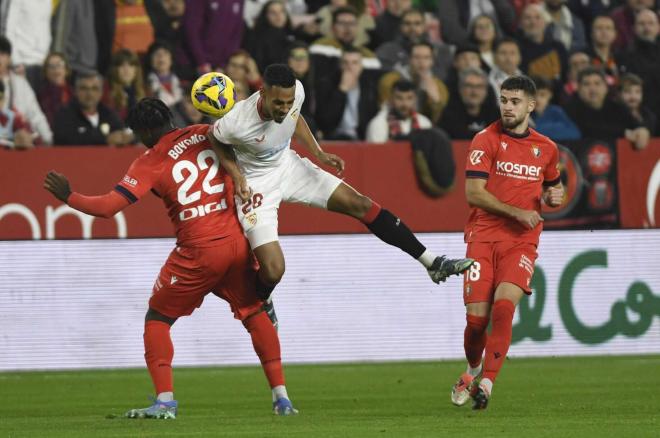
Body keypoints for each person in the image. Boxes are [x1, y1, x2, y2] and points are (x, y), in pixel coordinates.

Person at [43, 98, 298, 419]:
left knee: (158, 318)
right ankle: (282, 398)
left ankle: (164, 402)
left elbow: (108, 207)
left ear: (145, 130)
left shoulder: (150, 160)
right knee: (253, 311)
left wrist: (69, 195)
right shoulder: (209, 132)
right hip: (235, 242)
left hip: (198, 251)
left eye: (139, 134)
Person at [208, 64, 474, 324]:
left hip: (288, 166)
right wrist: (237, 175)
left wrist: (318, 152)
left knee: (360, 204)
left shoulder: (295, 93)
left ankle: (432, 262)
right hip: (257, 185)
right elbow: (215, 139)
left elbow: (295, 116)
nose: (284, 108)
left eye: (288, 102)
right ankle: (262, 299)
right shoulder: (235, 122)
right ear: (263, 93)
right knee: (274, 269)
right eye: (279, 103)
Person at [452, 75, 564, 410]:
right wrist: (517, 212)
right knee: (476, 323)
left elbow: (553, 188)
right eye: (503, 100)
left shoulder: (546, 148)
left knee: (504, 308)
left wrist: (556, 196)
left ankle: (487, 382)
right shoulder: (485, 140)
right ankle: (472, 369)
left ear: (531, 105)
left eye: (515, 101)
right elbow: (473, 193)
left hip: (521, 242)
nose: (507, 107)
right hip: (482, 237)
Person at [564, 66, 649, 149]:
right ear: (578, 88)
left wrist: (642, 131)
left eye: (597, 83)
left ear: (606, 87)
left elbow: (635, 125)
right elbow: (589, 130)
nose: (592, 89)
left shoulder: (617, 107)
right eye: (586, 84)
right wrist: (623, 133)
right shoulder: (570, 109)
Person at [52, 71, 131, 146]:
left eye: (94, 89)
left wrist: (125, 138)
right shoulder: (64, 114)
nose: (90, 94)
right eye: (84, 88)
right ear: (75, 91)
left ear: (101, 92)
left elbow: (121, 132)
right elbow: (64, 139)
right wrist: (105, 139)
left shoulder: (108, 113)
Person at [366, 79, 433, 142]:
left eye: (409, 98)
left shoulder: (424, 123)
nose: (404, 104)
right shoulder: (378, 124)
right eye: (399, 98)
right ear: (391, 99)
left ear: (415, 100)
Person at [531, 76, 581, 141]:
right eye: (533, 95)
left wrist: (537, 129)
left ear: (550, 95)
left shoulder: (555, 111)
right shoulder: (523, 113)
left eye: (542, 94)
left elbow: (574, 133)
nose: (537, 99)